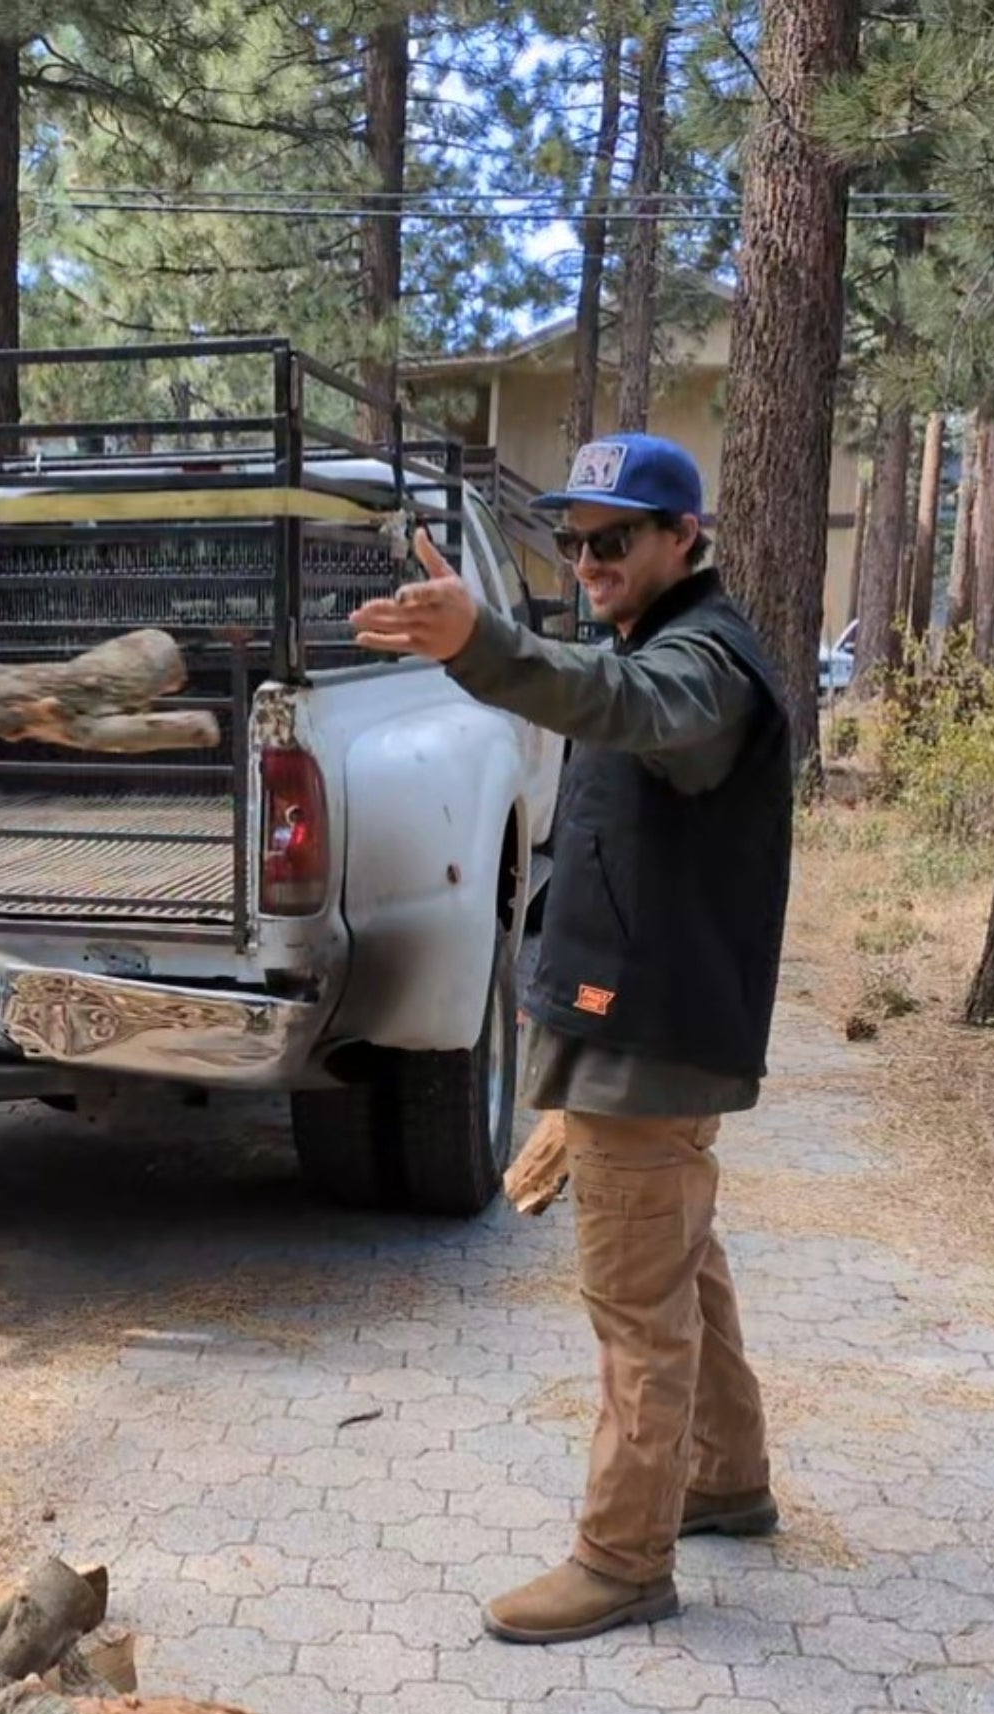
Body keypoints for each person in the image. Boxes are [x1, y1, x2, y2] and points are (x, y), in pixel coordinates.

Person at [349, 432, 795, 1645]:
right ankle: (723, 1479)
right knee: (680, 1261)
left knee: (634, 1300)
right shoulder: (653, 642)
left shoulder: (700, 667)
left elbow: (620, 705)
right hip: (636, 1026)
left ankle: (621, 1556)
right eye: (575, 539)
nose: (588, 559)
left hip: (654, 1032)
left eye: (615, 539)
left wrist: (482, 647)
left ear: (682, 537)